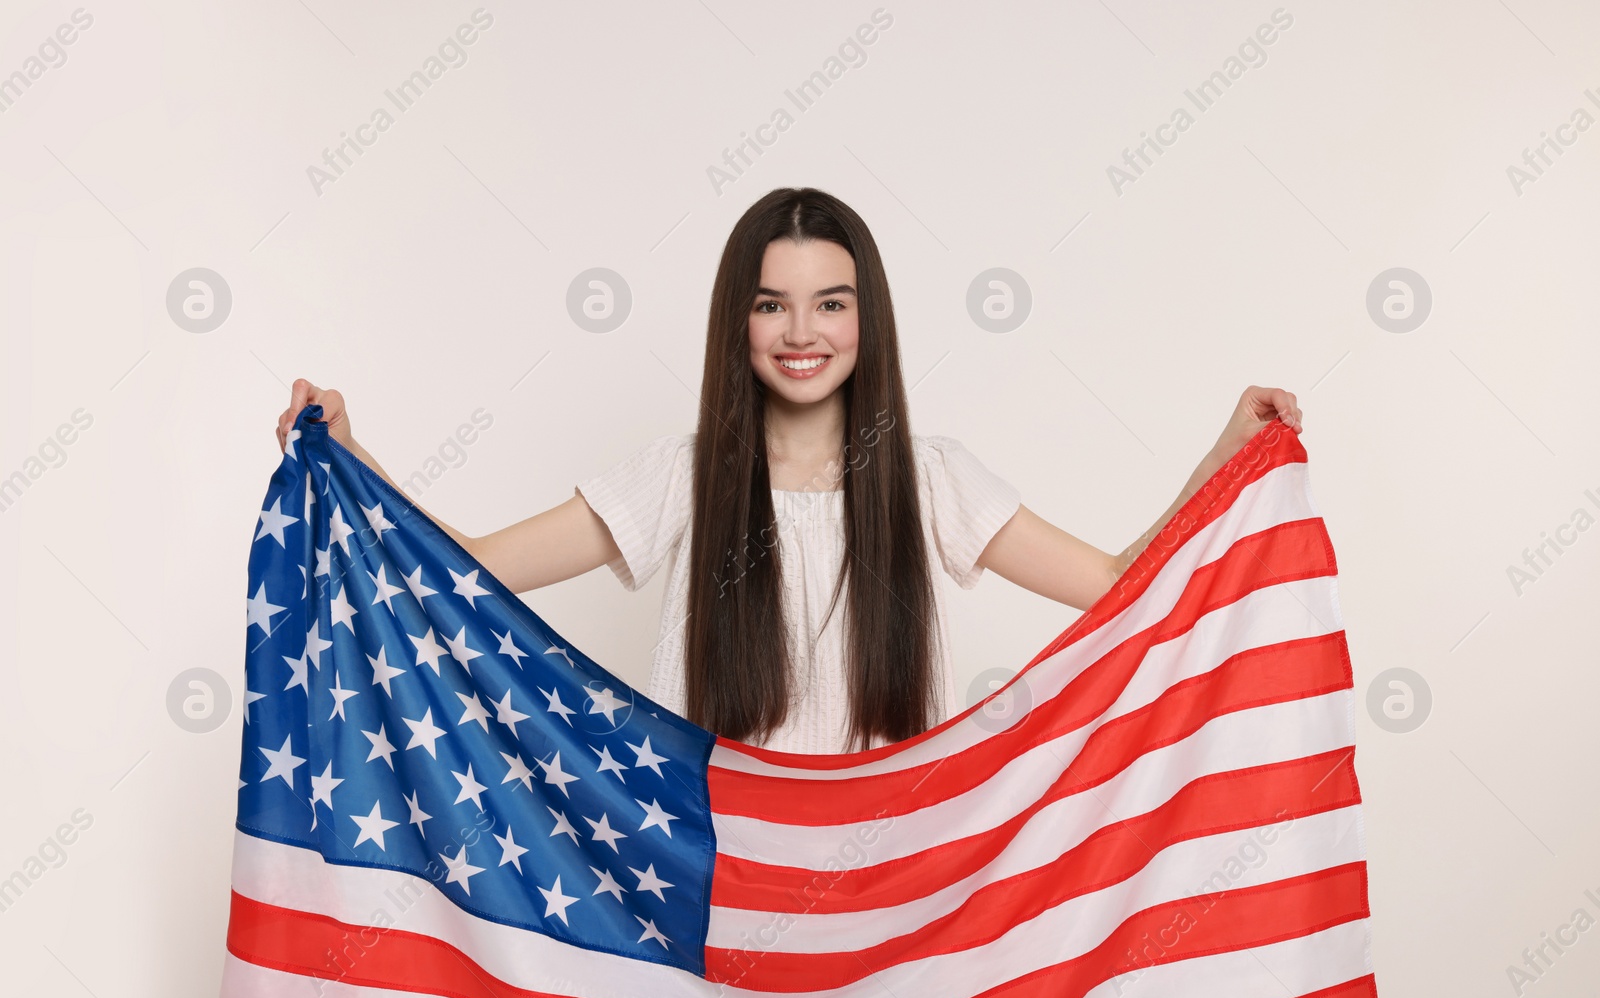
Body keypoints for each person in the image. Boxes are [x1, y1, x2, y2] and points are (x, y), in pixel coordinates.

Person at [274, 187, 1304, 757]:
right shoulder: (681, 476)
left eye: (829, 302)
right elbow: (475, 569)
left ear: (868, 318)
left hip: (891, 872)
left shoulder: (930, 476)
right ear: (740, 321)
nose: (801, 332)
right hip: (722, 869)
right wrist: (353, 456)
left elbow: (1126, 589)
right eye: (771, 304)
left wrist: (1222, 456)